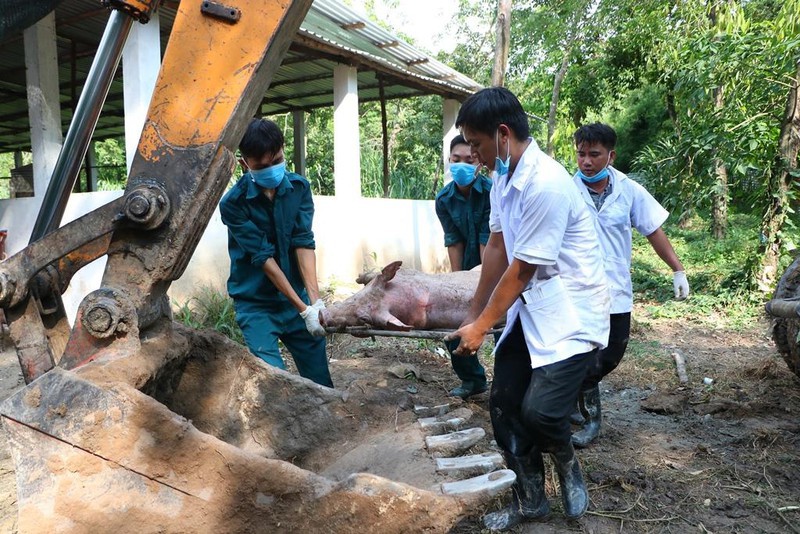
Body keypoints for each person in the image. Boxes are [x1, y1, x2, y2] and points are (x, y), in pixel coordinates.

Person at [446, 87, 610, 529]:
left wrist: (483, 326)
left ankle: (566, 459)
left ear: (502, 134)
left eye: (477, 144)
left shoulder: (547, 184)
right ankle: (530, 499)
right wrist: (473, 314)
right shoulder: (503, 177)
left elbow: (521, 269)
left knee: (542, 412)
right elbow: (497, 248)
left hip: (573, 311)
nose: (474, 156)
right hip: (532, 306)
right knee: (503, 404)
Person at [570, 122, 689, 447]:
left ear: (611, 155)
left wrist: (677, 269)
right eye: (581, 154)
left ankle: (567, 402)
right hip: (576, 291)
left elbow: (653, 230)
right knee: (580, 356)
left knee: (609, 357)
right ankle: (587, 419)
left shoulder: (629, 190)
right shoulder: (565, 190)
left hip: (615, 291)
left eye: (594, 154)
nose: (586, 162)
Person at [219, 118, 333, 388]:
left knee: (321, 383)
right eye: (261, 166)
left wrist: (314, 304)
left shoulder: (300, 188)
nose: (271, 169)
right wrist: (303, 309)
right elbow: (263, 259)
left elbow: (303, 242)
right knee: (276, 383)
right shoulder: (233, 204)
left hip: (298, 297)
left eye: (277, 160)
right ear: (245, 164)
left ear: (283, 150)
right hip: (256, 305)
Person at [435, 134, 491, 399]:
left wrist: (483, 284)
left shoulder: (492, 192)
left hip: (495, 266)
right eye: (456, 160)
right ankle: (472, 379)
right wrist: (457, 282)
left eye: (469, 160)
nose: (462, 165)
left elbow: (490, 242)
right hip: (467, 267)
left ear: (479, 163)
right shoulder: (444, 199)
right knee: (454, 322)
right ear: (449, 160)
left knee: (503, 328)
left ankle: (508, 383)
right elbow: (453, 241)